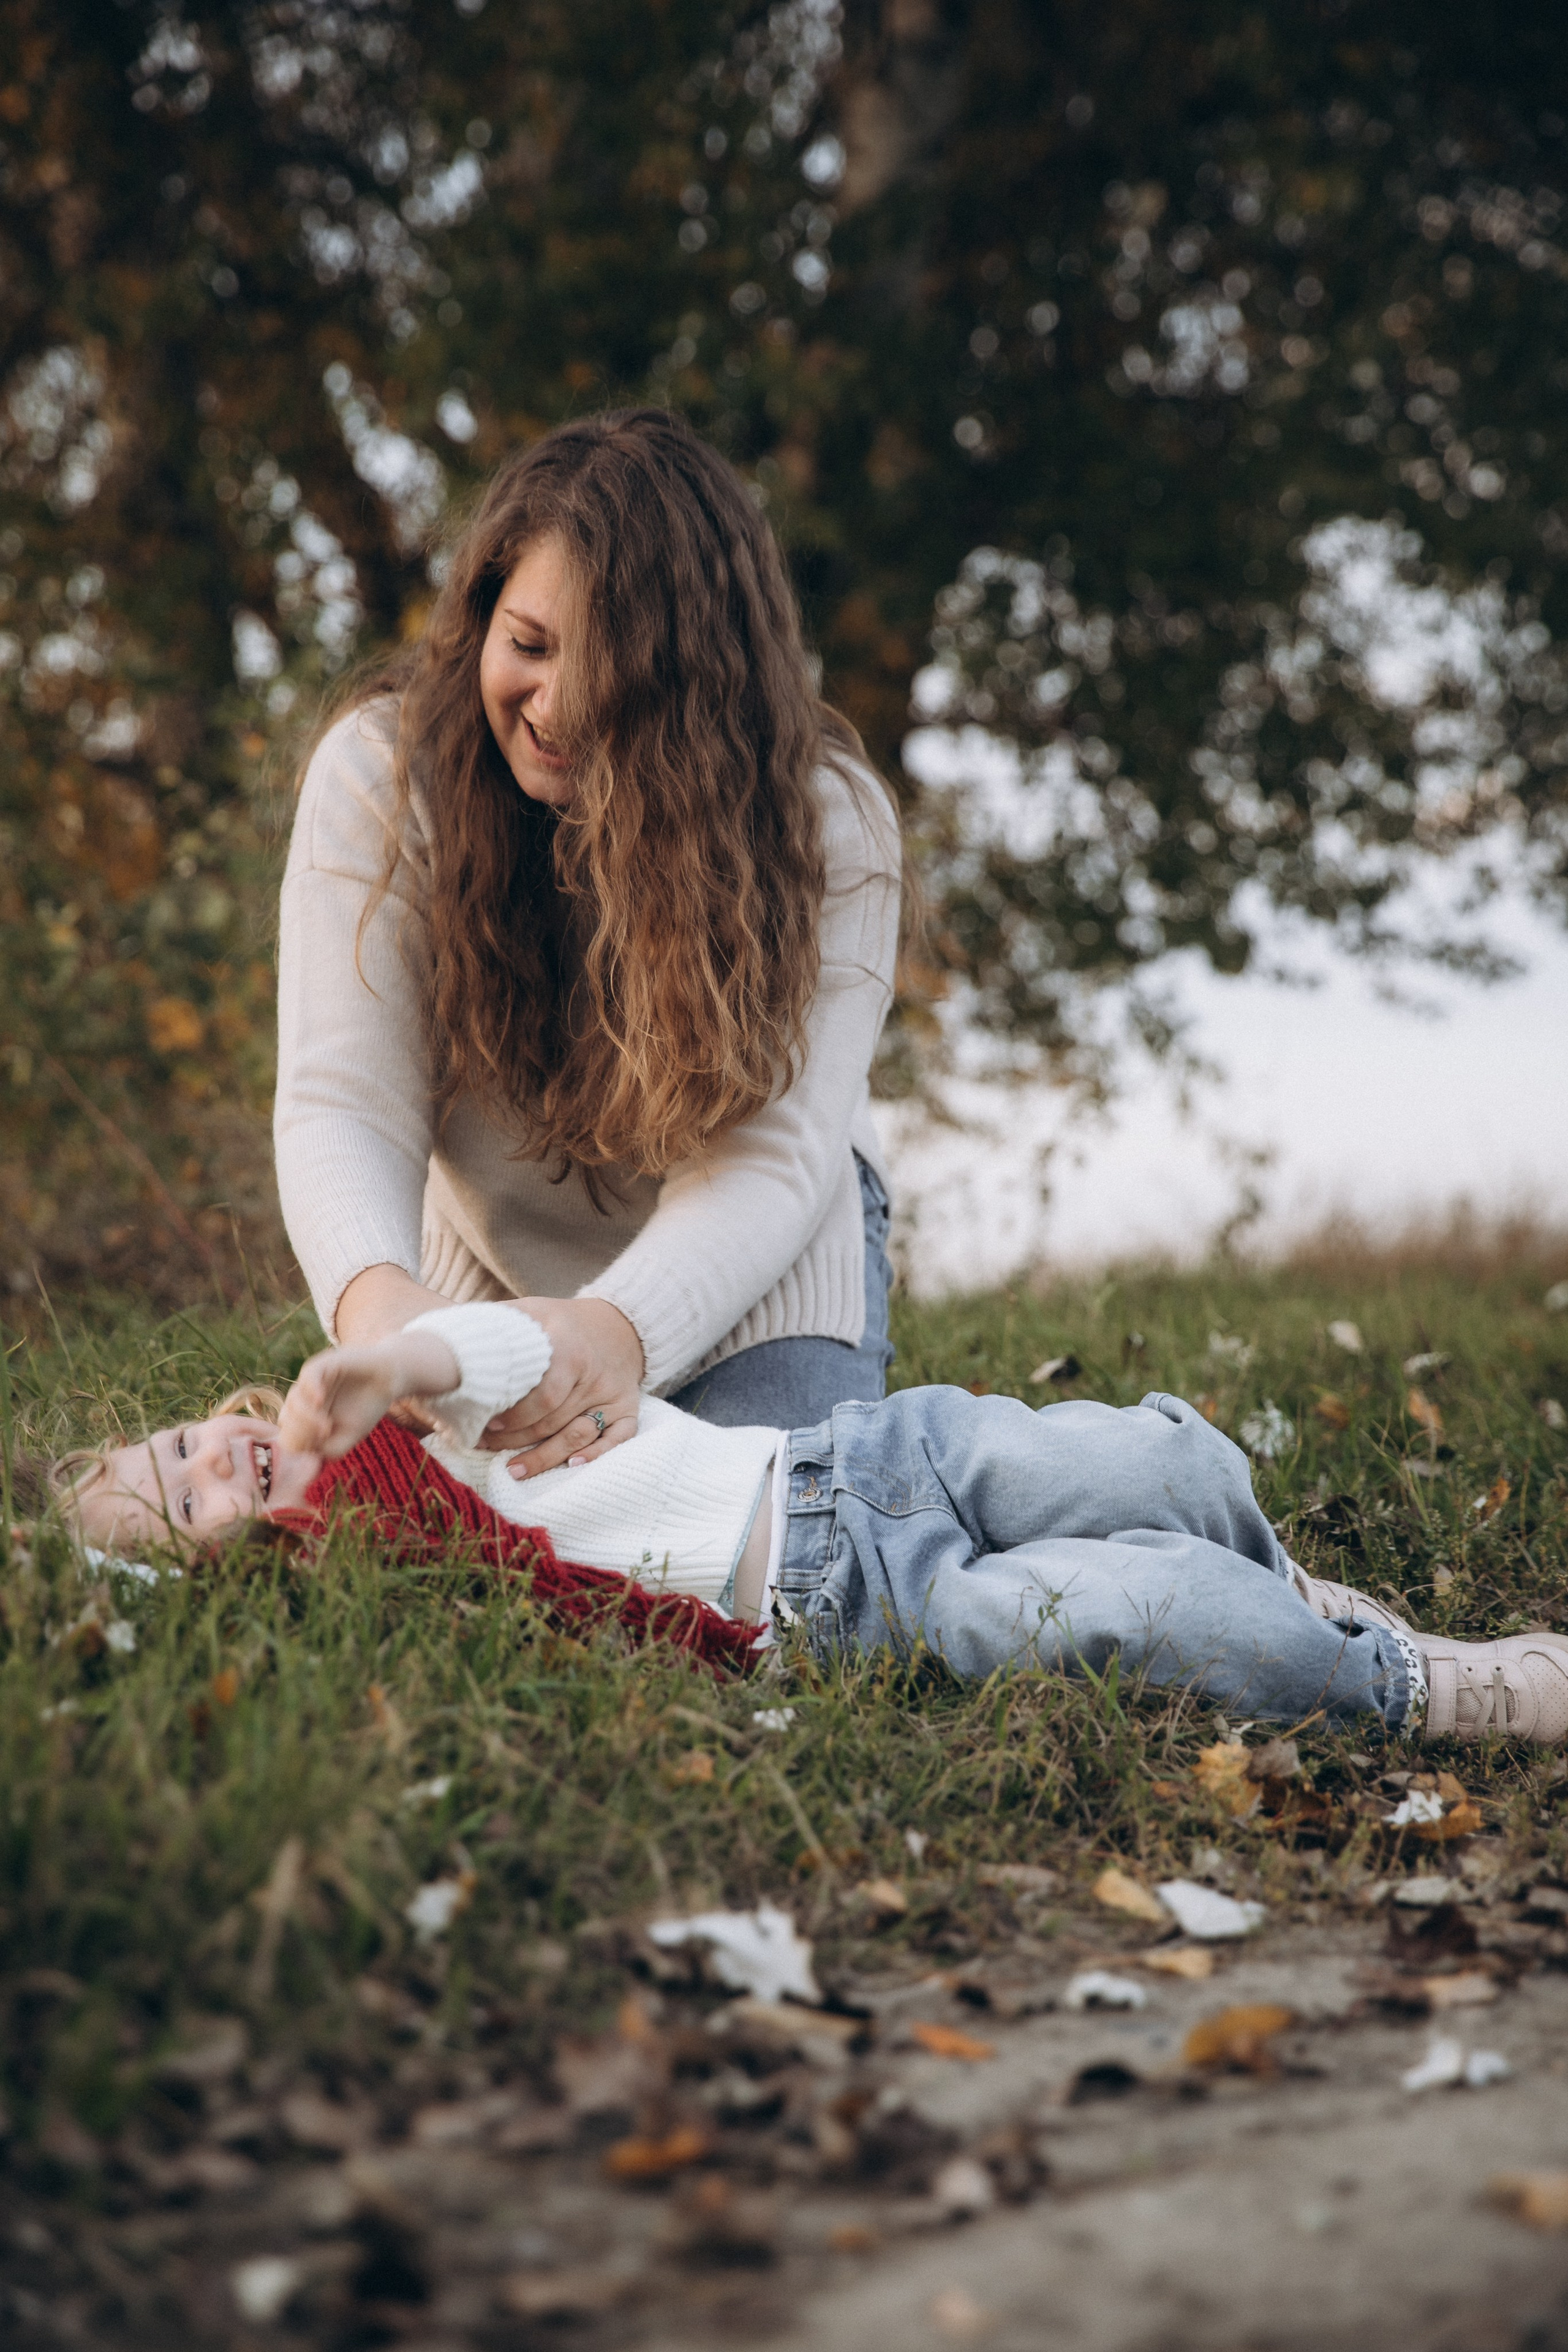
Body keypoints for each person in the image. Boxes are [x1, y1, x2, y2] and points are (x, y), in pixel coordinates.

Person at [274, 407, 903, 1495]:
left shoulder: (830, 824)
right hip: (487, 1280)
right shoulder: (379, 779)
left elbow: (774, 1156)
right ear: (482, 617)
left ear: (699, 680)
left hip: (760, 1276)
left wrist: (620, 1332)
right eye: (527, 645)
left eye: (612, 669)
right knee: (472, 1546)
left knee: (773, 1536)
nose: (554, 705)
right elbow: (345, 1099)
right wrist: (386, 1310)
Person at [54, 1302, 1568, 1747]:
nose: (213, 1465)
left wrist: (400, 1359)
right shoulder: (417, 1595)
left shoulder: (409, 1425)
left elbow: (515, 1351)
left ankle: (1294, 1581)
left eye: (181, 1444)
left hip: (854, 1460)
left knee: (1153, 1462)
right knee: (1138, 1617)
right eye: (183, 1507)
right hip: (848, 1616)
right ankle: (1409, 1686)